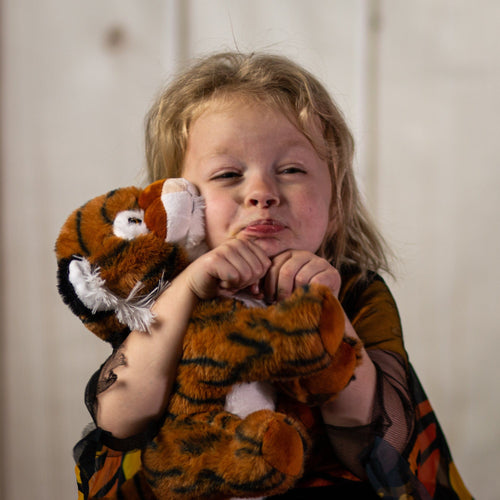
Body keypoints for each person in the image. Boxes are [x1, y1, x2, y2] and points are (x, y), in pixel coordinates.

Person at [74, 52, 472, 499]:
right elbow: (120, 420)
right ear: (177, 204)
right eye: (228, 174)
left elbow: (376, 439)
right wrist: (186, 289)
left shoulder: (357, 292)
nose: (263, 193)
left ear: (335, 204)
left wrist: (328, 315)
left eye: (291, 170)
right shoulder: (156, 291)